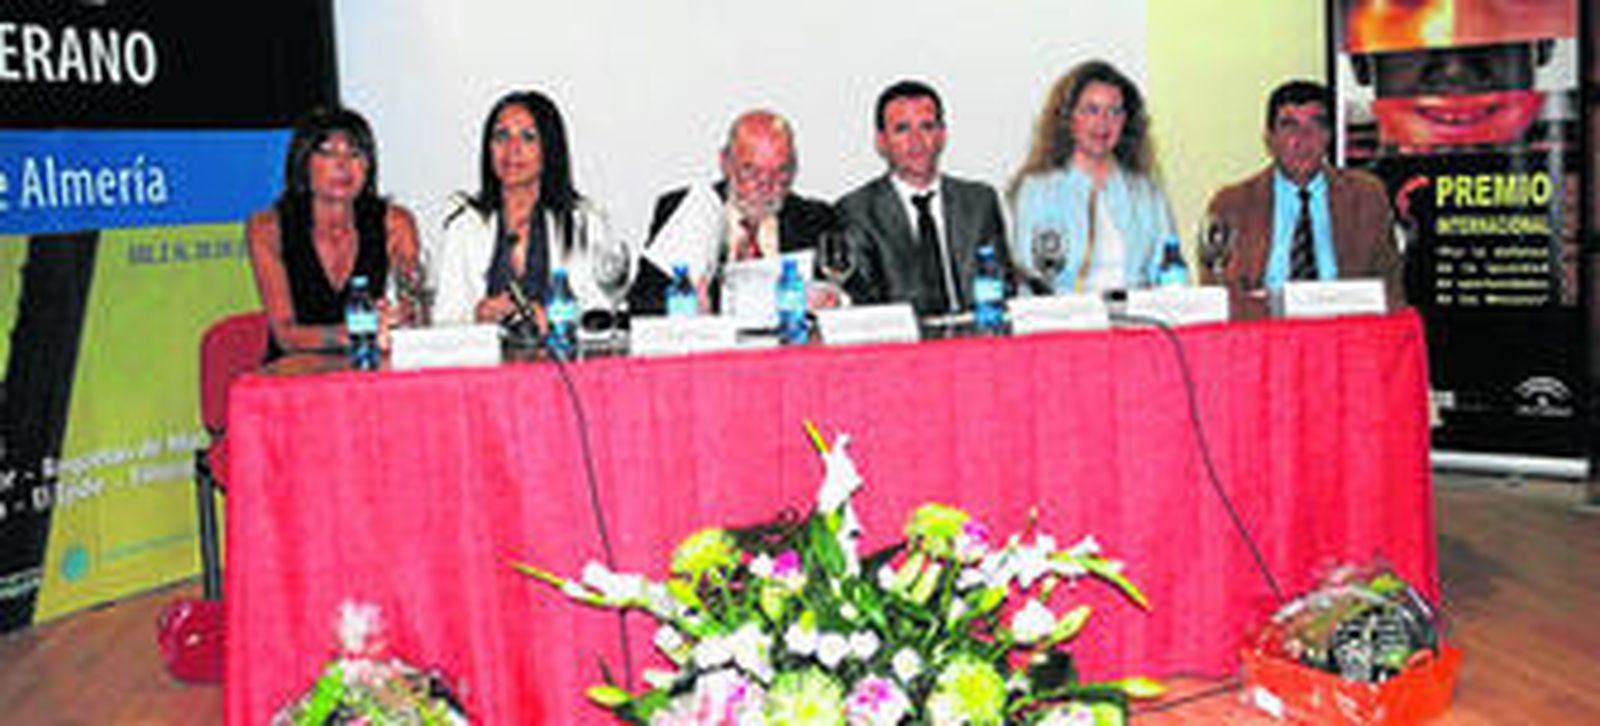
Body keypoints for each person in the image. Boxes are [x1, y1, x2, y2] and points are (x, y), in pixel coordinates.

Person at [1200, 80, 1404, 318]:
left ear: (1329, 135)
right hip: (1266, 335)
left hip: (1343, 332)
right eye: (1289, 126)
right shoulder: (1232, 204)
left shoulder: (1367, 196)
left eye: (1316, 125)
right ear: (1269, 138)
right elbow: (1218, 293)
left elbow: (1390, 285)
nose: (1303, 138)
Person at [432, 90, 621, 327]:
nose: (512, 149)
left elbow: (603, 314)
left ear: (549, 149)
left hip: (565, 359)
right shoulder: (464, 223)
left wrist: (555, 320)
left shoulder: (585, 221)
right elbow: (443, 321)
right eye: (501, 136)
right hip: (486, 362)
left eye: (528, 137)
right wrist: (476, 316)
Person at [248, 106, 420, 363]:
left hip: (367, 369)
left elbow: (414, 309)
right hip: (294, 376)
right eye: (328, 152)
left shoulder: (395, 223)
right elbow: (286, 335)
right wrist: (353, 334)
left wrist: (399, 315)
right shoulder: (268, 227)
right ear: (304, 161)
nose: (343, 165)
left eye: (355, 154)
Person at [628, 109, 838, 314]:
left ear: (793, 170)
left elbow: (851, 296)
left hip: (786, 346)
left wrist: (833, 300)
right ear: (725, 163)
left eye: (779, 173)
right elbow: (641, 303)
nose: (765, 185)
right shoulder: (683, 210)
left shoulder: (815, 220)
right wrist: (685, 304)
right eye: (751, 171)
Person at [835, 80, 1010, 316]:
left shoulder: (979, 203)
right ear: (881, 142)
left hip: (975, 338)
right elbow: (865, 302)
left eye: (927, 127)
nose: (916, 142)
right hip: (901, 345)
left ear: (942, 135)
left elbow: (1003, 285)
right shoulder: (857, 211)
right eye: (902, 129)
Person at [1010, 60, 1176, 294]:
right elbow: (1031, 280)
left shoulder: (1146, 191)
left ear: (1126, 122)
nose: (1103, 123)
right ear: (1069, 119)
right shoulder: (1037, 190)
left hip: (1139, 322)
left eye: (1114, 112)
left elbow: (1169, 272)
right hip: (1067, 322)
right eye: (1092, 110)